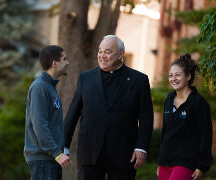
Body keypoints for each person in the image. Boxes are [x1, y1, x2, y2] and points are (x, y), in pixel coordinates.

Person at [64, 35, 154, 180]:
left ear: (120, 54)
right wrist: (64, 146)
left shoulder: (139, 80)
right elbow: (73, 113)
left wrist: (141, 147)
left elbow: (146, 117)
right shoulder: (85, 78)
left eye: (107, 51)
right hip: (90, 150)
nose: (102, 56)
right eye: (100, 51)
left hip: (124, 152)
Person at [157, 54, 213, 180]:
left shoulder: (199, 103)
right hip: (165, 161)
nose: (173, 79)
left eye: (178, 75)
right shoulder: (168, 99)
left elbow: (206, 135)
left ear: (188, 76)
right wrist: (161, 161)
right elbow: (165, 132)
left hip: (186, 162)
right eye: (170, 75)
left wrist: (202, 165)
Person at [24, 45, 71, 180]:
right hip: (43, 160)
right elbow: (40, 125)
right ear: (54, 63)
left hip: (51, 158)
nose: (67, 62)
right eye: (64, 59)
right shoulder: (40, 87)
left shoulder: (51, 87)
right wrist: (56, 153)